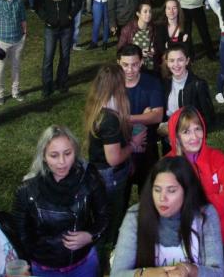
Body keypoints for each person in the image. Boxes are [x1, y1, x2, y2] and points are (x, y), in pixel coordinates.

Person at [12, 125, 108, 277]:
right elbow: (21, 233)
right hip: (44, 269)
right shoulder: (27, 190)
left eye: (67, 153)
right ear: (43, 156)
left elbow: (105, 216)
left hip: (84, 263)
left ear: (75, 151)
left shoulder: (90, 179)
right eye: (54, 155)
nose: (62, 162)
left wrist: (90, 235)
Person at [109, 156, 224, 276]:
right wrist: (146, 274)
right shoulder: (135, 217)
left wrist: (190, 270)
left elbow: (217, 273)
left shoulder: (205, 215)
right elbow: (117, 273)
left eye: (171, 190)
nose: (162, 198)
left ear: (187, 191)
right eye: (157, 190)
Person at [83, 64, 146, 257]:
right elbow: (113, 158)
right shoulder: (109, 119)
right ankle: (107, 252)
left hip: (99, 171)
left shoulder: (98, 105)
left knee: (103, 214)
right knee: (111, 216)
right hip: (110, 176)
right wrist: (134, 144)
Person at [164, 106, 224, 244]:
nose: (194, 137)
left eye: (197, 129)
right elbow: (167, 207)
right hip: (183, 239)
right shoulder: (167, 166)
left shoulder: (218, 159)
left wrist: (188, 203)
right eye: (186, 131)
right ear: (177, 136)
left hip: (217, 236)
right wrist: (215, 199)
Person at [116, 44, 165, 204]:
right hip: (120, 149)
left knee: (149, 201)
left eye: (135, 64)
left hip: (147, 150)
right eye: (125, 65)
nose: (130, 70)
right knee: (119, 201)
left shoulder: (152, 82)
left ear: (142, 62)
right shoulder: (113, 86)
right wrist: (143, 116)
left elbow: (157, 116)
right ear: (118, 63)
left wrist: (125, 118)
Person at [34, 0, 82, 98]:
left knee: (65, 56)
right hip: (50, 27)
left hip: (66, 27)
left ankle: (61, 83)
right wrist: (46, 18)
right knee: (48, 57)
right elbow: (37, 4)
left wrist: (69, 16)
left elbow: (78, 1)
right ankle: (47, 86)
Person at [160, 45, 214, 135]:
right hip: (168, 133)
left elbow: (208, 116)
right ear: (167, 63)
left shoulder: (198, 84)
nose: (176, 64)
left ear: (187, 61)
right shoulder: (165, 83)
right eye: (172, 60)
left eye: (180, 60)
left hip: (189, 135)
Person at [118, 1, 158, 73]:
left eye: (150, 12)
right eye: (145, 12)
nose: (148, 14)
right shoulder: (128, 29)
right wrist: (138, 53)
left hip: (151, 68)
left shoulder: (154, 28)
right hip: (134, 68)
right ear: (138, 14)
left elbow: (158, 47)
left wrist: (154, 51)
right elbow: (120, 50)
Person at [154, 0, 191, 74]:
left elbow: (187, 48)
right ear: (165, 10)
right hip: (165, 63)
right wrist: (180, 43)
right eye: (168, 8)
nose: (171, 11)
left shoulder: (185, 25)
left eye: (174, 8)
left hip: (181, 63)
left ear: (178, 10)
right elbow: (161, 48)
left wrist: (169, 45)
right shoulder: (159, 27)